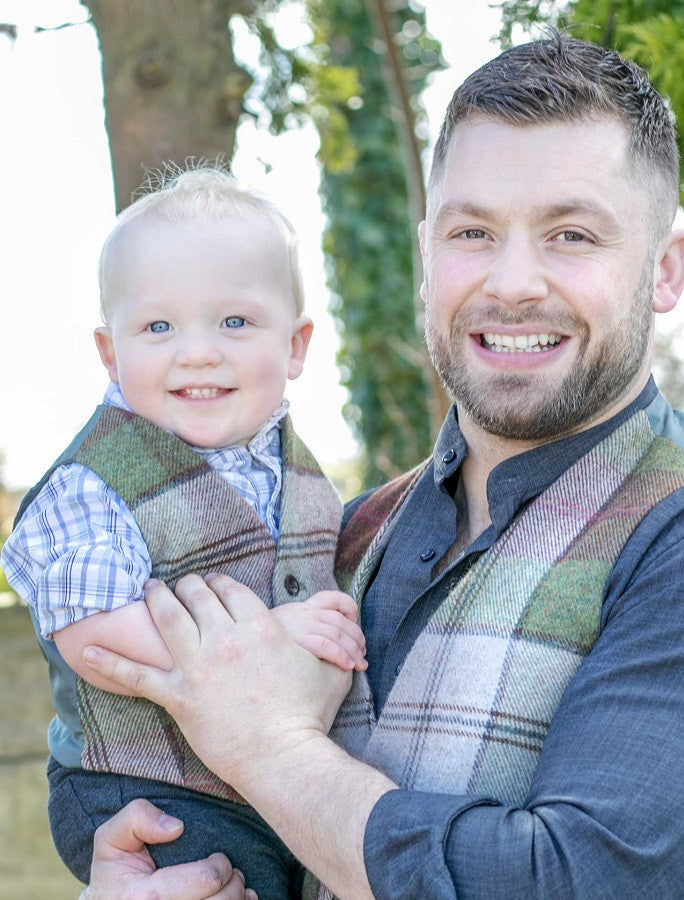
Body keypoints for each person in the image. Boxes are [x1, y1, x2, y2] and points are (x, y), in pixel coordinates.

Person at [84, 34, 684, 898]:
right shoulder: (345, 531)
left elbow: (569, 879)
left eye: (571, 234)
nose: (513, 283)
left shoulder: (669, 537)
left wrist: (269, 749)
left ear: (664, 271)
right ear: (427, 256)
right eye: (472, 232)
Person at [1, 167, 367, 897]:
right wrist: (273, 640)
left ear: (296, 345)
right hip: (145, 789)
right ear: (112, 353)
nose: (197, 352)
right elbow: (95, 637)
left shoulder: (301, 476)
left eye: (234, 322)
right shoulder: (94, 481)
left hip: (266, 784)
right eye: (158, 327)